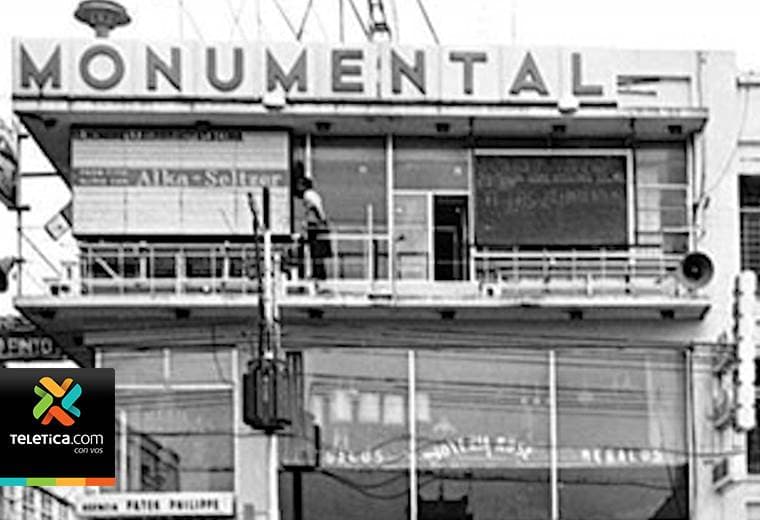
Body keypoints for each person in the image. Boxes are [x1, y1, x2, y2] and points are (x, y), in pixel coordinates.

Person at [297, 175, 332, 282]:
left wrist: (321, 219)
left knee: (316, 251)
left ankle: (318, 274)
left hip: (315, 226)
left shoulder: (308, 194)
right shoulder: (312, 195)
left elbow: (316, 208)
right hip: (316, 225)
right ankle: (318, 273)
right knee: (315, 251)